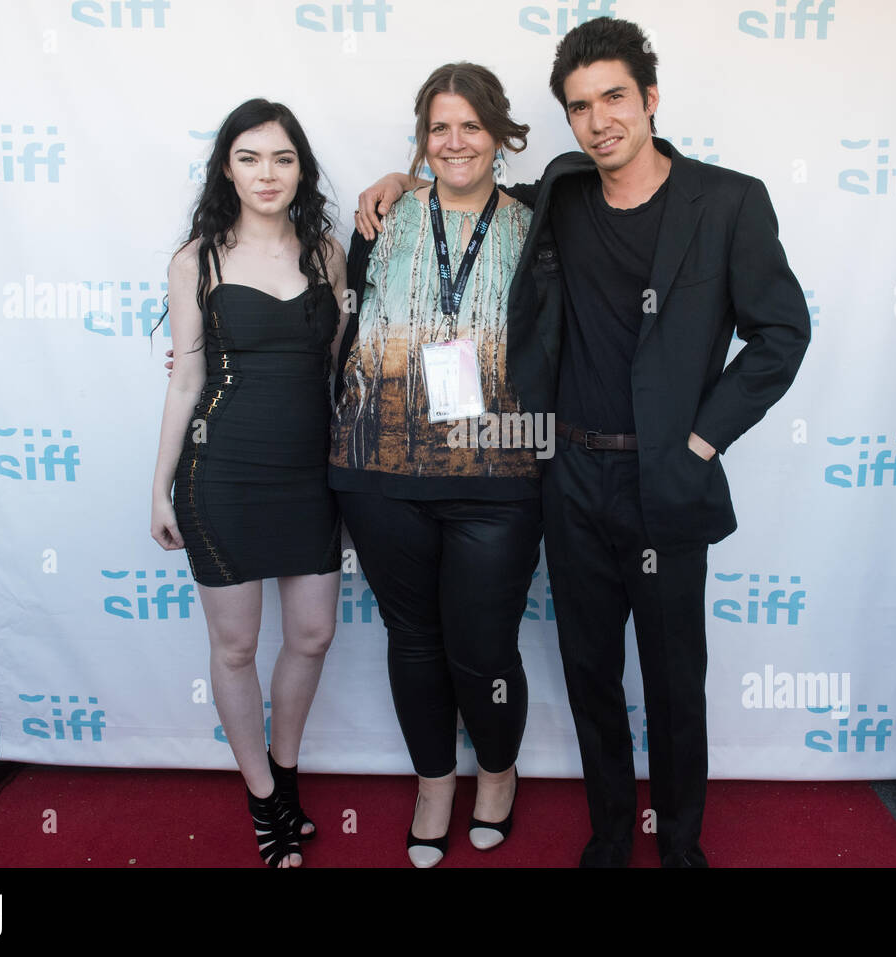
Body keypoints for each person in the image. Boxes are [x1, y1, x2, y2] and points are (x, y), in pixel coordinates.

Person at [357, 18, 811, 867]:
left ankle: (679, 845)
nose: (599, 119)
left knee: (675, 685)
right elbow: (471, 183)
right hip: (569, 478)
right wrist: (400, 177)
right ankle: (610, 835)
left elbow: (782, 333)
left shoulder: (729, 201)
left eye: (613, 98)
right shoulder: (558, 197)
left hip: (669, 479)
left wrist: (705, 439)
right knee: (591, 676)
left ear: (649, 98)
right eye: (579, 106)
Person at [331, 62, 540, 867]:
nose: (455, 142)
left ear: (499, 135)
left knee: (484, 647)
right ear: (422, 138)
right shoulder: (383, 217)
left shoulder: (536, 224)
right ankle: (433, 783)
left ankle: (497, 773)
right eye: (438, 127)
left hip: (499, 474)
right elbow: (342, 324)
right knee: (412, 638)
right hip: (379, 464)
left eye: (471, 126)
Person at [151, 98, 346, 868]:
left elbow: (335, 364)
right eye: (249, 157)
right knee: (235, 648)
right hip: (221, 473)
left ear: (301, 168)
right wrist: (159, 488)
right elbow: (184, 379)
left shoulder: (327, 252)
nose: (267, 173)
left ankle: (287, 773)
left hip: (311, 475)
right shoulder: (194, 260)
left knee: (312, 634)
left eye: (283, 157)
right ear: (225, 168)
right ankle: (263, 796)